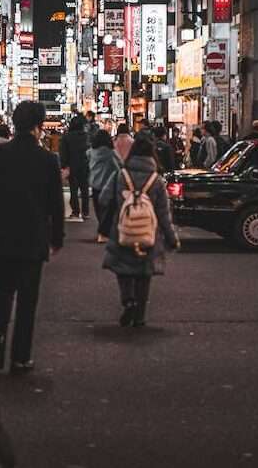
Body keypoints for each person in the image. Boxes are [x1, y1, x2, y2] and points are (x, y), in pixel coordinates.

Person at [0, 101, 64, 374]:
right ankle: (20, 356)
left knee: (4, 290)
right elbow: (56, 204)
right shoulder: (48, 160)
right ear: (39, 127)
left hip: (2, 235)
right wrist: (57, 238)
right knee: (27, 299)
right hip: (33, 237)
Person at [100, 133, 179, 328]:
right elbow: (163, 214)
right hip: (148, 234)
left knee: (123, 270)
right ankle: (140, 316)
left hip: (123, 230)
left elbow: (103, 198)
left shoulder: (121, 175)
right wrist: (172, 238)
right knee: (144, 275)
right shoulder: (157, 180)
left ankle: (128, 300)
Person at [87, 129, 119, 243]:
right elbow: (119, 166)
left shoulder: (90, 152)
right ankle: (104, 232)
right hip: (109, 184)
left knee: (98, 209)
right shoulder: (111, 153)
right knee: (109, 209)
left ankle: (102, 230)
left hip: (95, 184)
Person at [60, 115, 90, 221]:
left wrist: (64, 165)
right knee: (84, 189)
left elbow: (63, 153)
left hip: (72, 166)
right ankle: (86, 212)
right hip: (85, 165)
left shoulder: (67, 137)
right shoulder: (86, 136)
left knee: (73, 189)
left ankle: (76, 211)